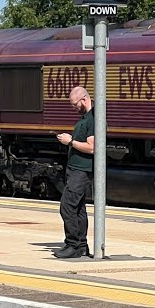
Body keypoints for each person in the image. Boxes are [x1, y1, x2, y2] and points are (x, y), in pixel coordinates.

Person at [53, 86, 95, 259]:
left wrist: (70, 142)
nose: (74, 108)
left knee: (67, 206)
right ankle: (81, 246)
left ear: (84, 99)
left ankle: (73, 244)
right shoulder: (85, 118)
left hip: (82, 171)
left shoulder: (93, 120)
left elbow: (92, 148)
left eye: (74, 104)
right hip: (75, 170)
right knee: (78, 208)